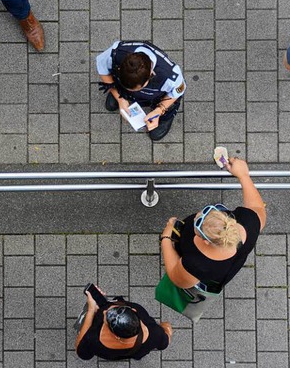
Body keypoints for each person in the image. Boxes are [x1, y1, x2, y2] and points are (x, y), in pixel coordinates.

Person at [159, 157, 266, 306]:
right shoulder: (249, 224)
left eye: (198, 223)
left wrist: (165, 238)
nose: (197, 215)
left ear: (206, 241)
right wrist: (243, 175)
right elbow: (258, 208)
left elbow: (176, 278)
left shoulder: (196, 265)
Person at [96, 40, 186, 141]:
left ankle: (166, 117)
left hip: (156, 96)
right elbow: (103, 69)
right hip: (127, 86)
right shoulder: (116, 52)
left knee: (169, 109)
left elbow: (177, 92)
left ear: (150, 75)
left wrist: (160, 110)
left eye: (137, 89)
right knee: (113, 102)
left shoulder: (170, 76)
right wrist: (120, 98)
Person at [75, 286, 172, 361]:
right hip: (136, 352)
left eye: (106, 320)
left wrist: (91, 309)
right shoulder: (155, 333)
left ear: (116, 336)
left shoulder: (92, 339)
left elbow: (81, 351)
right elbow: (165, 338)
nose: (104, 312)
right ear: (133, 310)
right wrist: (165, 326)